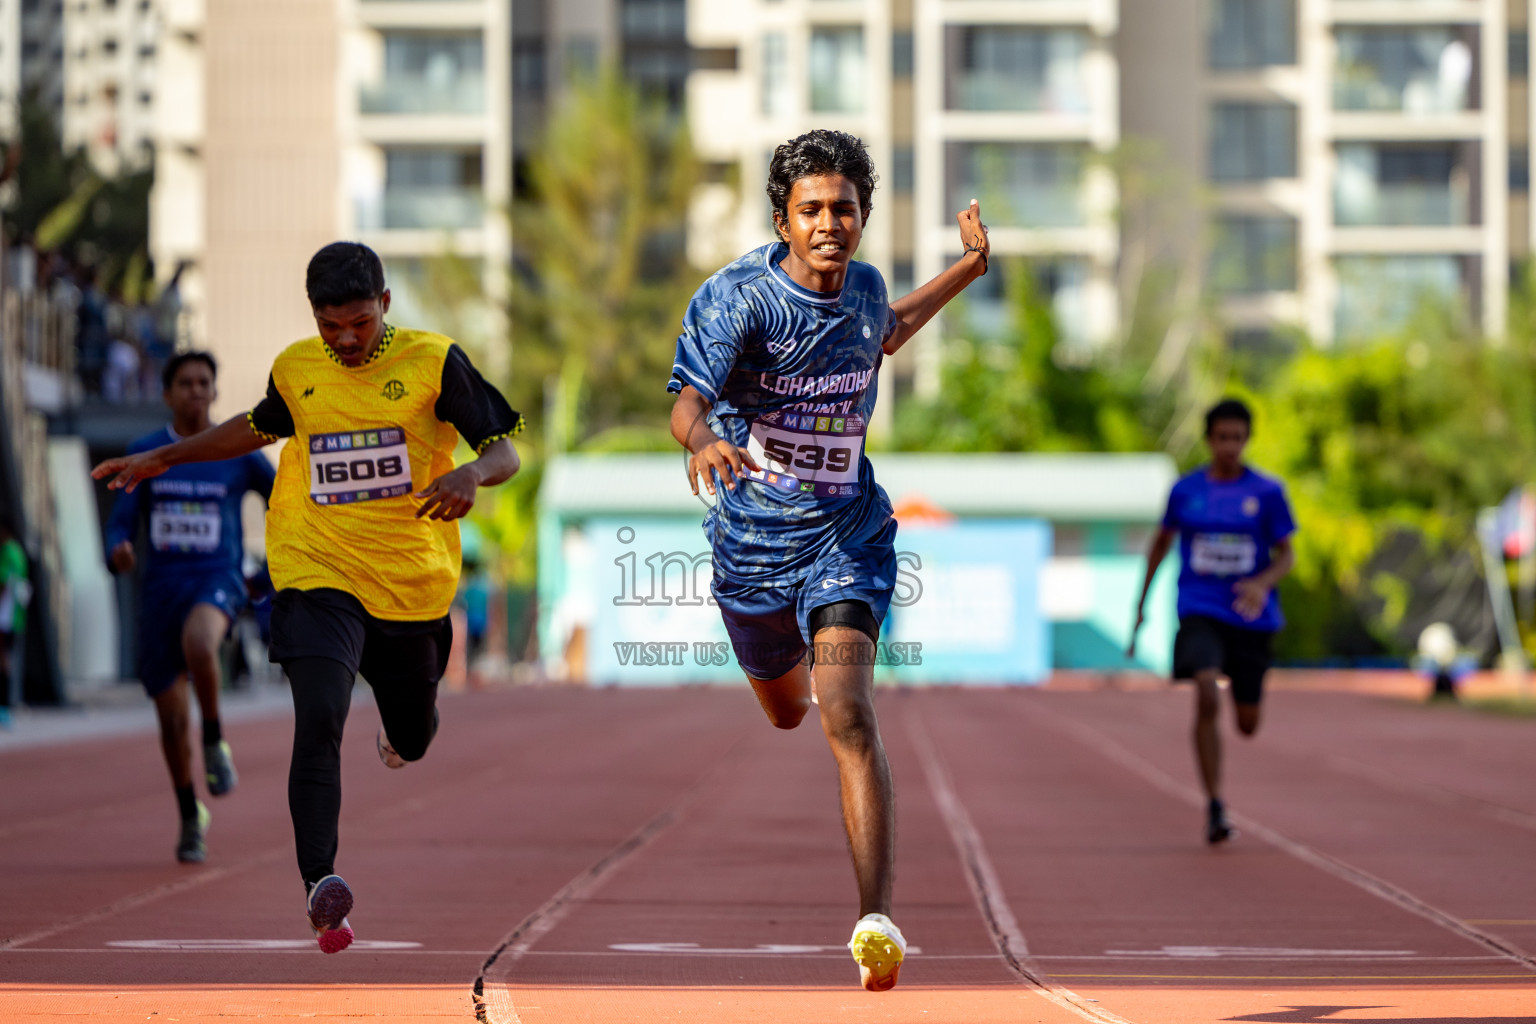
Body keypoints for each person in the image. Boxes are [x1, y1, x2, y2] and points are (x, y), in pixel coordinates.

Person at [93, 242, 523, 953]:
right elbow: (257, 426)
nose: (345, 340)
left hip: (410, 582)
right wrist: (162, 455)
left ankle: (404, 726)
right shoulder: (298, 368)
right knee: (319, 712)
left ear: (384, 304)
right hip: (314, 567)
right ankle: (320, 886)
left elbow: (505, 448)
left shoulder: (432, 361)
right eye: (331, 326)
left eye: (357, 323)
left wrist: (474, 474)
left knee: (413, 737)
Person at [667, 129, 990, 992]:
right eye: (811, 209)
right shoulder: (738, 299)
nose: (828, 223)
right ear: (784, 218)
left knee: (846, 709)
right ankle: (780, 662)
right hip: (751, 551)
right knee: (786, 713)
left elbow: (890, 330)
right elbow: (687, 404)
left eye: (843, 209)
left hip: (847, 537)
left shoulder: (867, 290)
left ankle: (875, 923)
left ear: (863, 215)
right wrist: (702, 442)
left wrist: (969, 269)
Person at [104, 352, 276, 863]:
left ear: (215, 392)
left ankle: (216, 742)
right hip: (161, 590)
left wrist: (264, 577)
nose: (195, 391)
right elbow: (120, 520)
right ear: (167, 393)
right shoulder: (146, 451)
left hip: (216, 579)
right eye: (185, 383)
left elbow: (285, 501)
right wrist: (118, 550)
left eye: (204, 382)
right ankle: (189, 813)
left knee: (201, 643)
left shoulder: (238, 453)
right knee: (172, 723)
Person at [1127, 398, 1296, 844]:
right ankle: (1215, 804)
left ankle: (1245, 691)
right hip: (1200, 608)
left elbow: (1288, 555)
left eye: (1237, 438)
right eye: (1222, 438)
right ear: (1209, 439)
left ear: (1247, 440)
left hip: (1250, 615)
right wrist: (1140, 606)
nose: (1229, 446)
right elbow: (1160, 546)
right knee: (1204, 691)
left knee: (1246, 723)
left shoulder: (1267, 493)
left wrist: (1262, 583)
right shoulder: (1186, 491)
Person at [0, 514, 29, 726]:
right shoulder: (18, 552)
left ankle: (5, 707)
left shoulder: (8, 552)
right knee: (7, 660)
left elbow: (4, 582)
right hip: (14, 616)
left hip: (5, 616)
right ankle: (7, 706)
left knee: (4, 661)